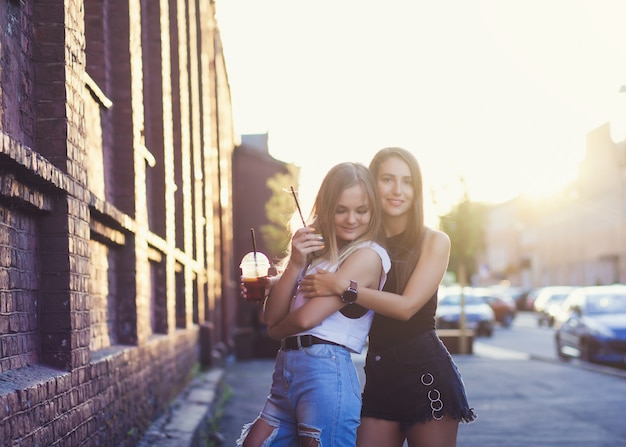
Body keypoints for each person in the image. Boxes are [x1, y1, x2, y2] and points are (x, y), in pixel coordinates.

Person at [300, 147, 476, 447]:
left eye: (407, 181)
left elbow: (407, 307)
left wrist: (344, 287)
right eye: (388, 179)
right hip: (379, 375)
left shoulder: (434, 240)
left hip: (426, 376)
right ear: (372, 184)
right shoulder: (360, 241)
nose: (398, 190)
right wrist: (273, 283)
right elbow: (316, 273)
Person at [237, 162, 391, 447]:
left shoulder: (368, 255)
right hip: (286, 371)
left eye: (362, 210)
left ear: (374, 211)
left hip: (326, 371)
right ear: (326, 208)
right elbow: (271, 314)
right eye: (341, 209)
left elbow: (305, 319)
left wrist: (274, 333)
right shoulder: (314, 254)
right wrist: (296, 262)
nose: (351, 219)